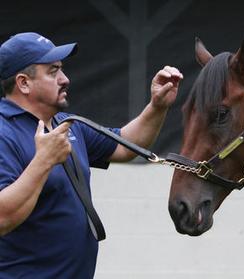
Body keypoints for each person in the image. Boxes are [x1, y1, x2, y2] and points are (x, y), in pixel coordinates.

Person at [0, 32, 183, 278]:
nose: (65, 79)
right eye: (53, 71)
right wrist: (44, 160)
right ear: (23, 83)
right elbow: (2, 218)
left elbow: (126, 145)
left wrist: (157, 106)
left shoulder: (67, 124)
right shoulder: (4, 132)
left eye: (62, 69)